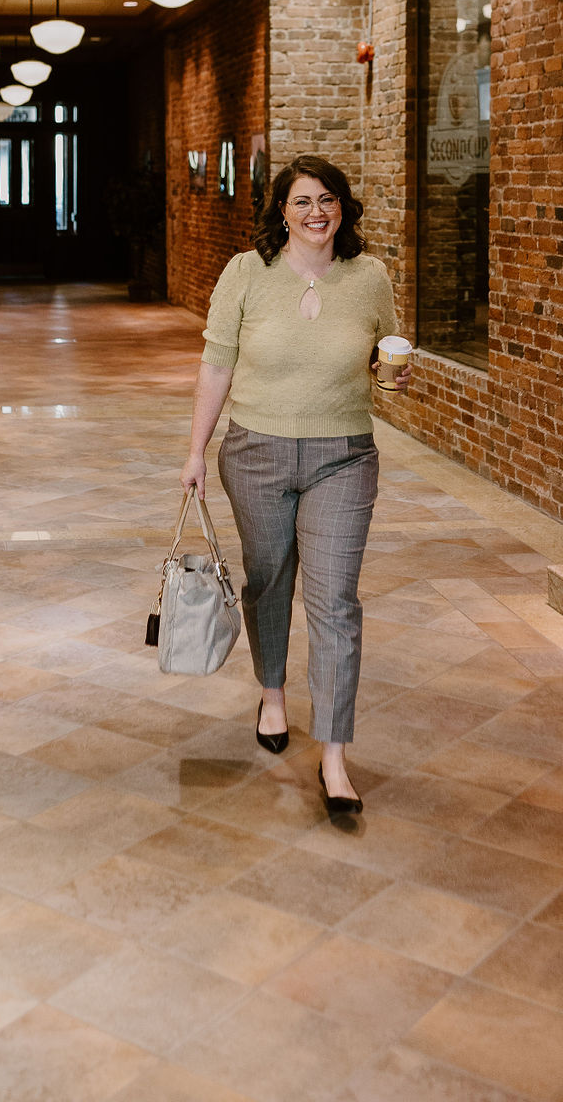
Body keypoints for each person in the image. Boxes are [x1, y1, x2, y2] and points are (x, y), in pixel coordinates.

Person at [180, 154, 411, 815]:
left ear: (344, 207)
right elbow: (216, 366)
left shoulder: (369, 278)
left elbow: (383, 361)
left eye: (328, 199)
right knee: (268, 577)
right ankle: (273, 694)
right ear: (281, 211)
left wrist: (391, 376)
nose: (317, 212)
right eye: (303, 201)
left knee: (336, 602)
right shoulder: (246, 274)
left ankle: (335, 756)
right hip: (256, 451)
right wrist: (195, 451)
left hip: (343, 455)